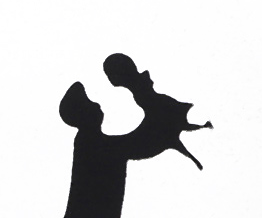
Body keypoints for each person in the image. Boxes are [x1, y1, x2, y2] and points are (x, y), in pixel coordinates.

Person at [58, 82, 159, 218]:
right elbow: (138, 144)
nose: (97, 105)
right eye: (89, 104)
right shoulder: (90, 141)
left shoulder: (88, 140)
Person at [101, 53, 212, 169]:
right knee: (174, 136)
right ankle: (201, 132)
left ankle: (201, 133)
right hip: (163, 116)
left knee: (172, 135)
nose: (110, 80)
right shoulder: (141, 89)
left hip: (162, 119)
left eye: (110, 75)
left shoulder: (141, 94)